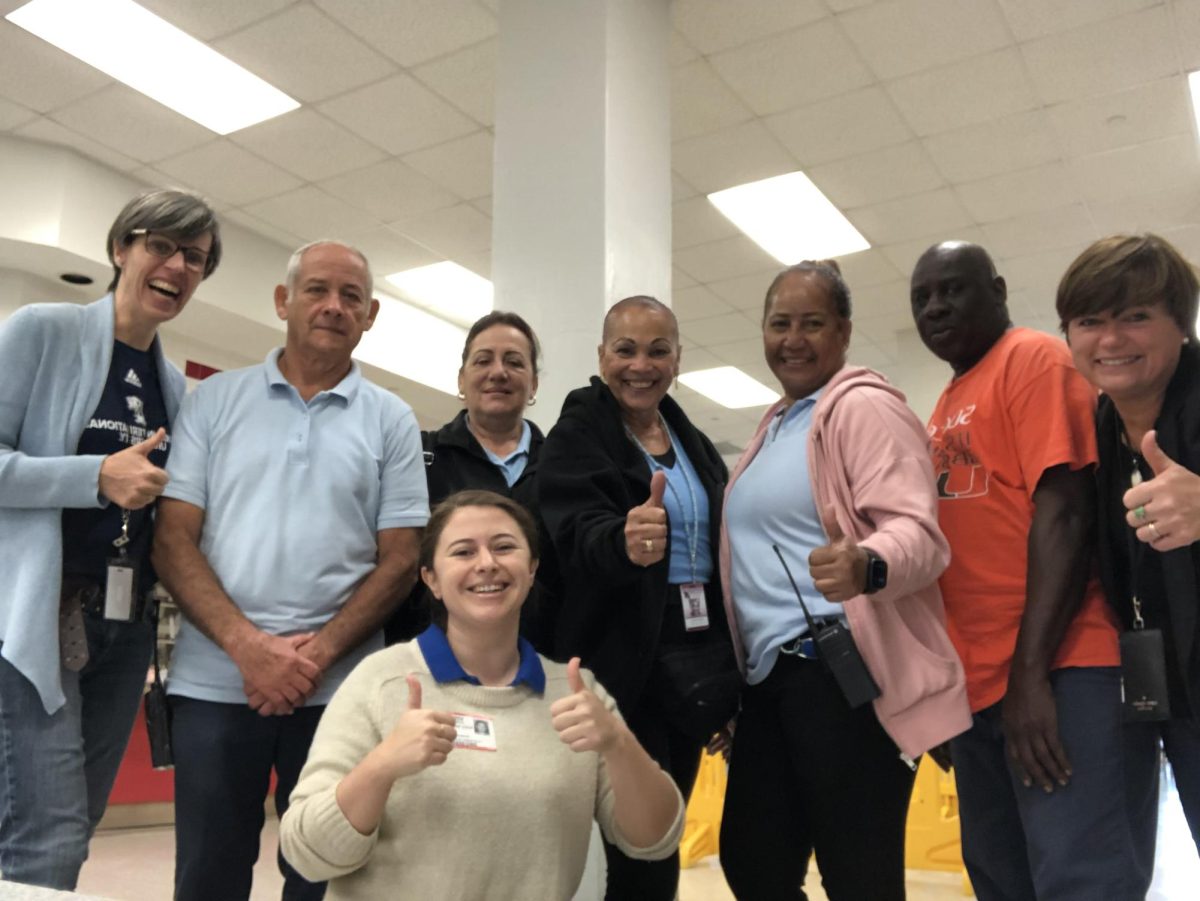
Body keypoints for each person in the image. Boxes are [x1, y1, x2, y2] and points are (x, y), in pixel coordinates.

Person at [153, 240, 428, 901]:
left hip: (340, 694)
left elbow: (402, 557)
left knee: (326, 878)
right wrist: (251, 648)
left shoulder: (392, 419)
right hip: (216, 685)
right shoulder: (213, 401)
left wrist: (315, 654)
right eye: (317, 289)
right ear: (283, 300)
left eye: (351, 297)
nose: (334, 306)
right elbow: (171, 538)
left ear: (371, 316)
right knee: (206, 876)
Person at [279, 490, 684, 900]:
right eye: (463, 552)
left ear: (531, 569)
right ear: (431, 579)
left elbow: (654, 841)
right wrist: (381, 767)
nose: (487, 563)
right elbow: (307, 854)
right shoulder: (380, 682)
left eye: (504, 547)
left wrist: (619, 744)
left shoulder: (577, 693)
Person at [717, 260, 969, 900]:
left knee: (858, 877)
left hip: (841, 676)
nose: (793, 338)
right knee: (753, 864)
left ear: (844, 332)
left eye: (812, 323)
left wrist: (868, 563)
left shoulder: (861, 408)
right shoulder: (777, 422)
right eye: (780, 323)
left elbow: (919, 533)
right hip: (769, 681)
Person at [0, 189, 219, 889]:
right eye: (162, 244)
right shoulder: (42, 330)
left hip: (125, 625)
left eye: (196, 257)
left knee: (72, 816)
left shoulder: (177, 390)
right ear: (122, 247)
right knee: (49, 834)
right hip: (40, 613)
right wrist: (94, 474)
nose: (177, 266)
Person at [910, 240, 1140, 900]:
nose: (935, 306)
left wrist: (1030, 673)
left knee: (1079, 880)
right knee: (1000, 880)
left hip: (1059, 669)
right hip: (984, 687)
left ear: (999, 289)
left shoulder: (1032, 358)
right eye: (922, 297)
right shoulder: (949, 399)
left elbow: (1066, 510)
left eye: (952, 288)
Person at [538, 295, 731, 900]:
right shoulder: (579, 429)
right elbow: (571, 530)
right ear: (602, 356)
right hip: (626, 666)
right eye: (625, 349)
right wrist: (620, 541)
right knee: (639, 848)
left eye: (658, 350)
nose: (640, 365)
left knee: (666, 829)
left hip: (695, 661)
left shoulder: (687, 435)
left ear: (677, 358)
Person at [1055, 233, 1200, 884]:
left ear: (1183, 324)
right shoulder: (1101, 431)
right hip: (1177, 696)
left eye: (1136, 315)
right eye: (1090, 320)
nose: (1110, 338)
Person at [384, 311, 556, 649]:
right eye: (483, 361)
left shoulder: (563, 466)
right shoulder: (419, 457)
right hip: (435, 662)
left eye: (514, 362)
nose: (498, 372)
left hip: (542, 662)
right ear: (462, 380)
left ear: (533, 383)